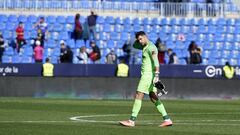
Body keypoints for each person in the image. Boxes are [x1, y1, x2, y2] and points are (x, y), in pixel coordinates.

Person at [119, 31, 173, 127]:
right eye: (138, 39)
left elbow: (156, 62)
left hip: (148, 76)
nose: (139, 41)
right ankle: (167, 119)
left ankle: (131, 120)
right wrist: (137, 40)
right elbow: (135, 46)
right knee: (153, 97)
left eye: (141, 38)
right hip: (149, 75)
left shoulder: (151, 48)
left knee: (138, 94)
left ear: (145, 37)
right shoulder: (144, 46)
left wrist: (156, 76)